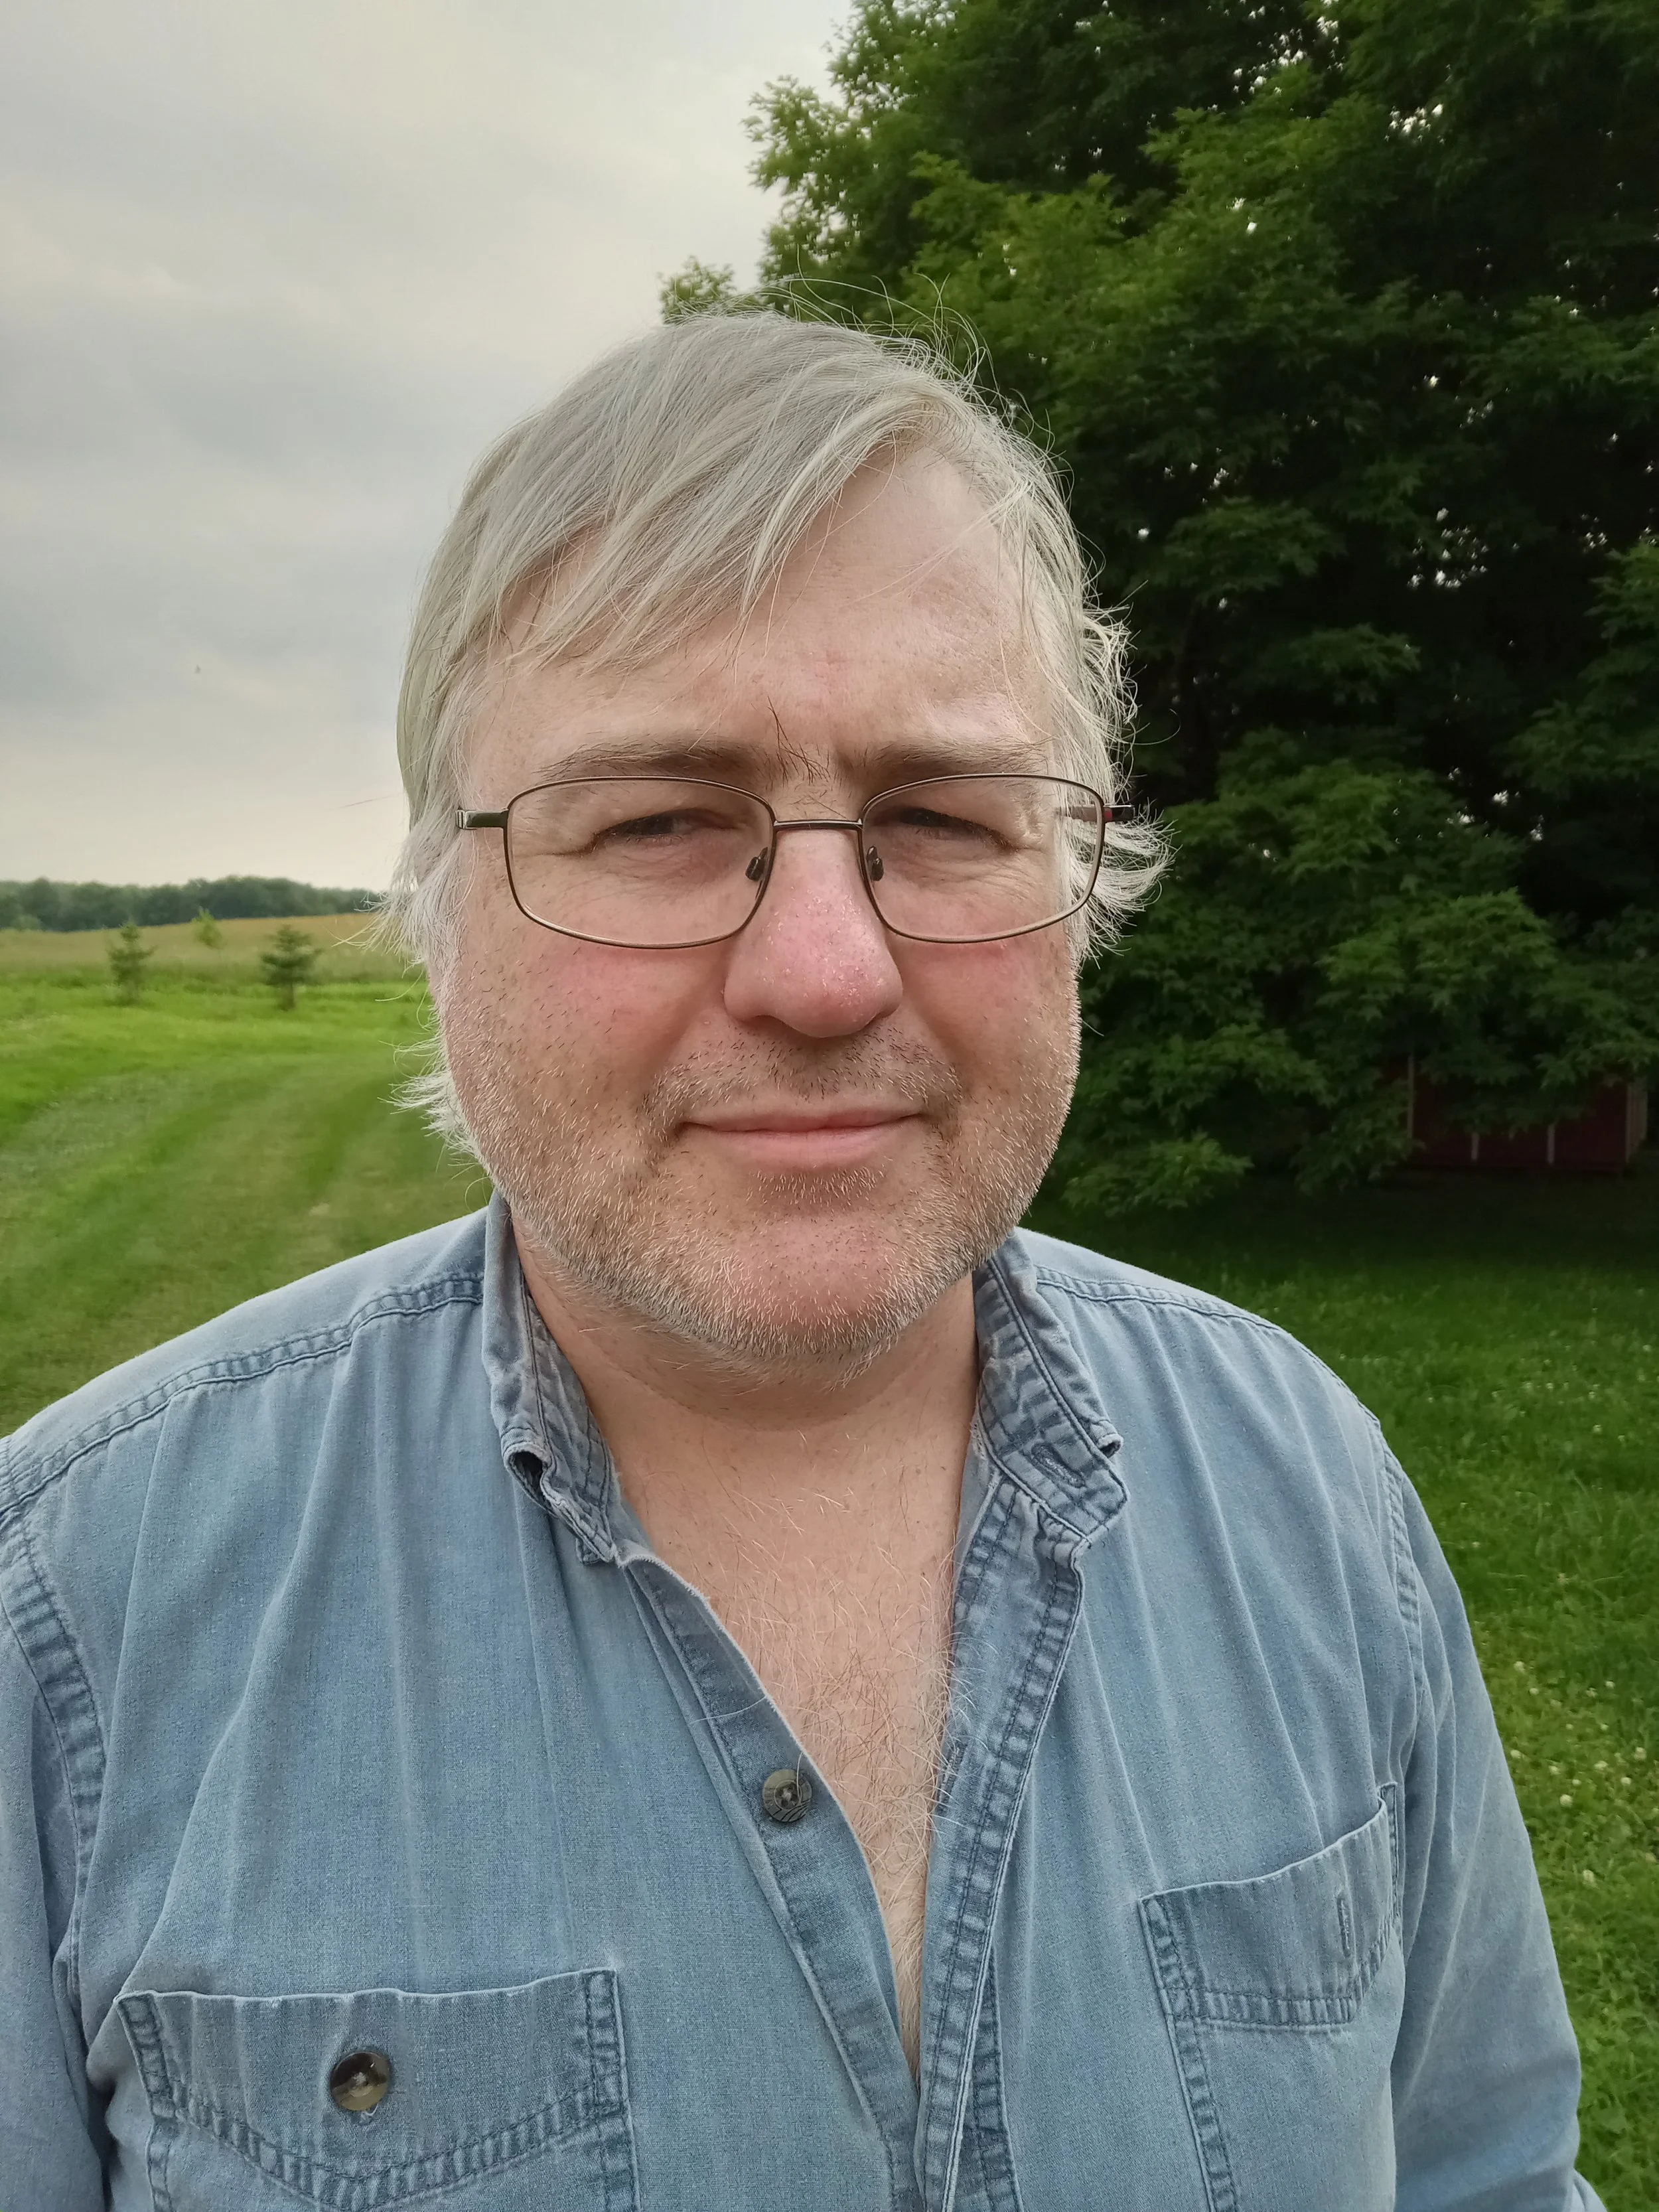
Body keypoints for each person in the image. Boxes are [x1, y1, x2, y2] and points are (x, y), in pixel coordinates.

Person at [0, 313, 1602, 2212]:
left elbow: (1491, 2172)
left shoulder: (1307, 1484)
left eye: (940, 814)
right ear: (440, 906)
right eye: (664, 820)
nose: (827, 969)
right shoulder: (70, 1620)